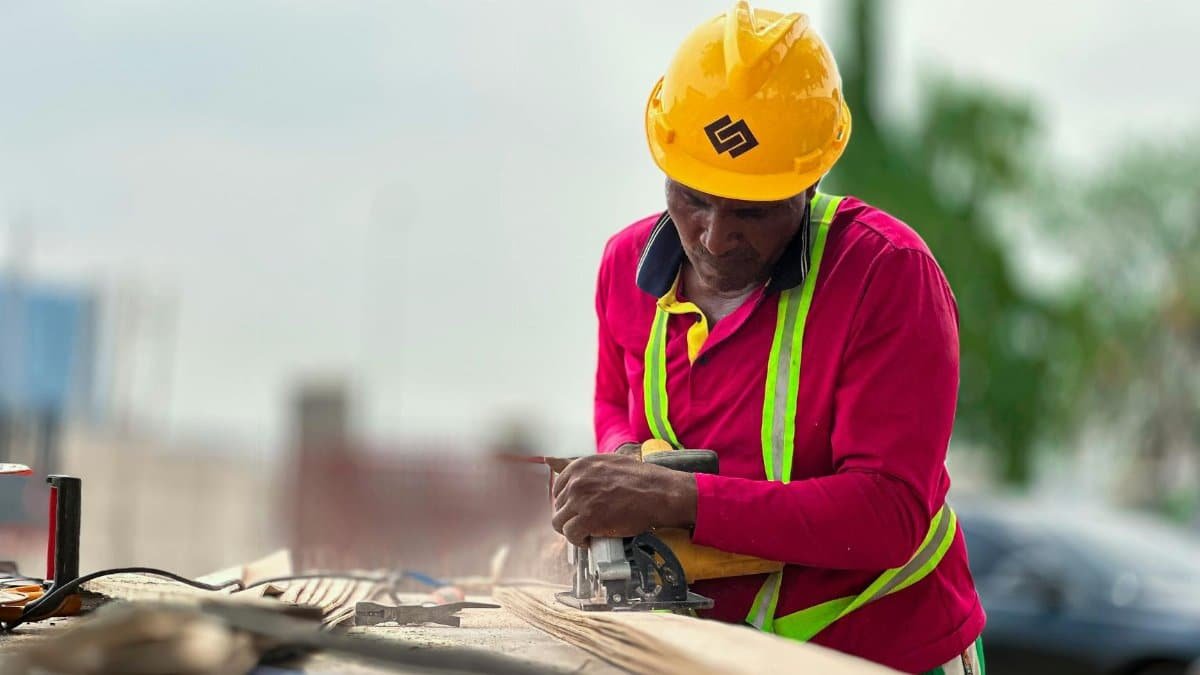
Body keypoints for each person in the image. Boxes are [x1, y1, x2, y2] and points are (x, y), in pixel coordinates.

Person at [550, 3, 986, 673]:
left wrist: (671, 497)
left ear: (810, 180)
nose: (716, 237)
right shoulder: (624, 271)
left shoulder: (887, 277)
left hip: (885, 654)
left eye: (751, 210)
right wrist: (625, 463)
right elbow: (615, 400)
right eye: (694, 197)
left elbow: (889, 511)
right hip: (717, 658)